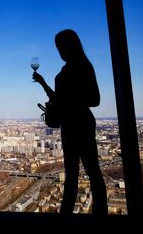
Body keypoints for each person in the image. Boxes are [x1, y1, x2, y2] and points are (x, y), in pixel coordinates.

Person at [33, 29, 108, 215]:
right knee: (74, 173)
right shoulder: (68, 68)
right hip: (71, 124)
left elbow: (95, 99)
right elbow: (60, 99)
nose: (60, 51)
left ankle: (97, 212)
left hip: (79, 123)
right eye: (58, 48)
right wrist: (43, 84)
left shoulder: (82, 65)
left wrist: (67, 101)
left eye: (61, 47)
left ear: (70, 46)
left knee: (90, 171)